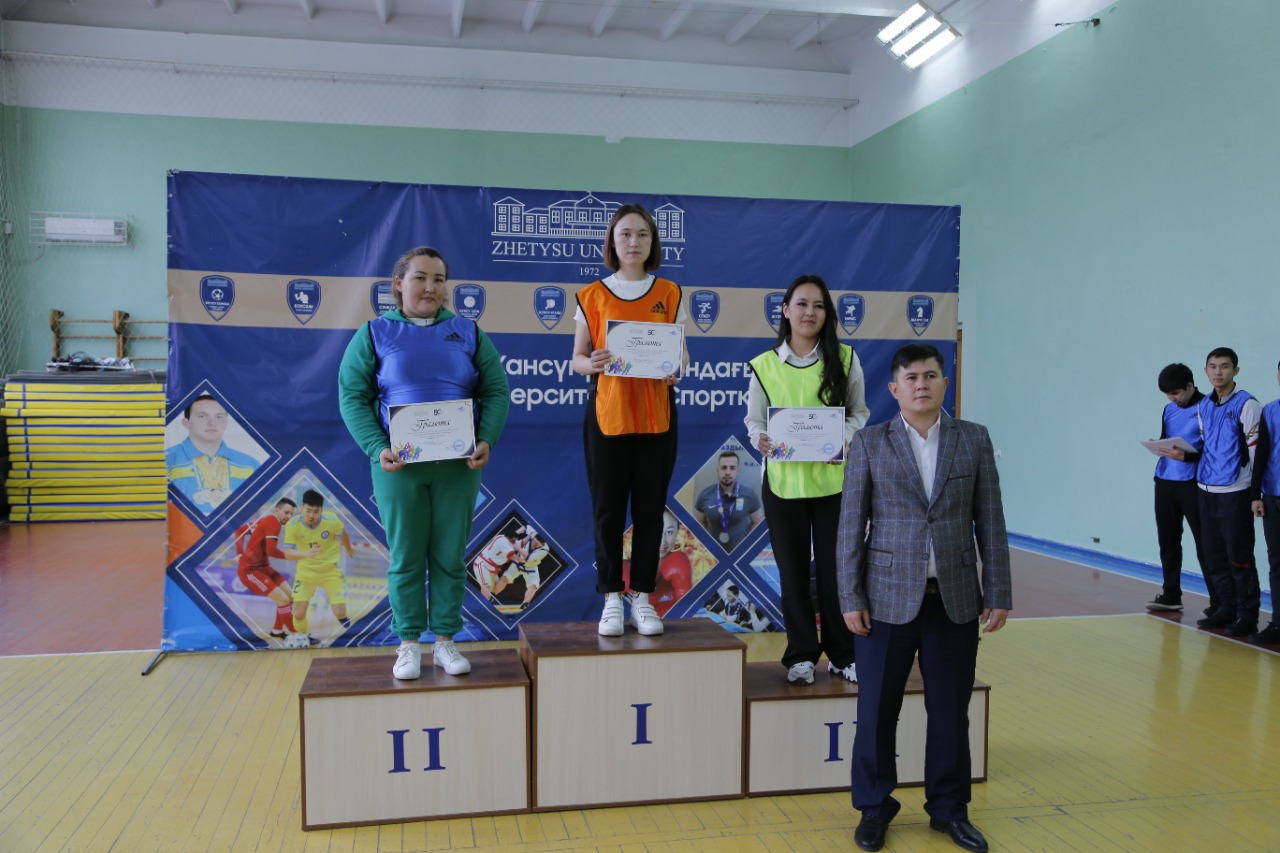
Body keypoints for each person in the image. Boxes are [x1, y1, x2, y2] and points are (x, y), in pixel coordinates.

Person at [836, 343, 1011, 853]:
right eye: (911, 377)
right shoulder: (870, 442)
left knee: (951, 711)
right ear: (894, 389)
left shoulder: (973, 439)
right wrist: (849, 596)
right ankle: (874, 809)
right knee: (876, 710)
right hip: (885, 600)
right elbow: (850, 526)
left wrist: (998, 590)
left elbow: (991, 520)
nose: (921, 385)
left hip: (954, 599)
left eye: (931, 376)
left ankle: (949, 810)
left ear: (944, 383)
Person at [338, 245, 510, 679]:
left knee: (450, 555)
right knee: (406, 556)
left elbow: (495, 390)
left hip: (458, 466)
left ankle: (446, 641)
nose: (430, 287)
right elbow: (352, 395)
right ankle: (408, 643)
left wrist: (486, 438)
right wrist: (376, 447)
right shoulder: (374, 333)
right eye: (420, 278)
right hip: (398, 466)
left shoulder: (467, 331)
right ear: (399, 284)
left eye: (438, 279)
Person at [747, 274, 869, 686]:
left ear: (827, 314)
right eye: (801, 304)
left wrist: (843, 437)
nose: (809, 312)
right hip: (783, 484)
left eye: (818, 306)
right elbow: (754, 420)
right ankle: (800, 654)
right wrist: (760, 439)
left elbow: (860, 413)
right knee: (792, 573)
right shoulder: (764, 365)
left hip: (834, 483)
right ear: (785, 310)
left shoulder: (846, 359)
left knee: (836, 572)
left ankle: (842, 653)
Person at [571, 204, 686, 638]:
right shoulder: (592, 295)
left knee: (650, 511)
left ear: (652, 242)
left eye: (642, 234)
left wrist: (677, 369)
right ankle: (610, 598)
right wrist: (593, 363)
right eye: (625, 234)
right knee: (608, 511)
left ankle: (642, 597)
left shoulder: (670, 292)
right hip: (609, 416)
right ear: (612, 242)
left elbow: (681, 355)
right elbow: (577, 358)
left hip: (656, 416)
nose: (633, 242)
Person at [1194, 347, 1262, 638]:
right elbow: (1205, 444)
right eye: (1212, 366)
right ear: (1206, 371)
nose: (1218, 372)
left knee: (1239, 557)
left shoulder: (1248, 405)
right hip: (1205, 490)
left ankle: (1247, 615)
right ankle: (1225, 608)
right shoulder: (1203, 405)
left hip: (1236, 492)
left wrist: (1256, 493)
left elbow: (1256, 453)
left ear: (1236, 370)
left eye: (1224, 366)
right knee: (1214, 555)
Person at [1148, 364, 1211, 613]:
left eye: (1176, 393)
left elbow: (1215, 450)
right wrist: (1159, 446)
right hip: (1165, 481)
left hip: (1194, 483)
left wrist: (1187, 457)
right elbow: (1168, 439)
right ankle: (1171, 594)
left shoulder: (1208, 407)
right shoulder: (1169, 409)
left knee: (1206, 544)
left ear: (1190, 385)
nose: (1172, 399)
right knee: (1168, 541)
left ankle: (1220, 601)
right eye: (1168, 395)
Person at [234, 497, 320, 641]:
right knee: (282, 599)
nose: (289, 516)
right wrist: (300, 555)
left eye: (291, 514)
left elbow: (240, 531)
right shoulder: (273, 523)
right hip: (250, 571)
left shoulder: (265, 521)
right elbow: (271, 551)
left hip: (264, 568)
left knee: (291, 597)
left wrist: (239, 552)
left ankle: (277, 631)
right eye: (286, 512)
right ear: (276, 510)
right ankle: (298, 634)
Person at [166, 394, 260, 514]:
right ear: (186, 423)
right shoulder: (165, 461)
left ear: (226, 423)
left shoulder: (250, 465)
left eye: (219, 417)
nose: (212, 423)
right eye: (202, 416)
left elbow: (258, 511)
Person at [283, 489, 355, 641]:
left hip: (330, 572)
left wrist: (348, 548)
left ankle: (341, 616)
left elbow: (343, 533)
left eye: (316, 512)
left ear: (321, 510)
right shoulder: (293, 525)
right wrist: (306, 554)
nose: (311, 515)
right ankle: (304, 638)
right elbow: (288, 553)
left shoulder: (331, 520)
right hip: (305, 574)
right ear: (302, 508)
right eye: (308, 511)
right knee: (298, 614)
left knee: (340, 612)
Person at [1249, 360, 1280, 644]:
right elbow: (1261, 455)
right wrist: (1255, 494)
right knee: (1277, 561)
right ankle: (1278, 623)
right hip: (1273, 496)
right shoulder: (1270, 410)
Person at [693, 451, 764, 550]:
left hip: (740, 553)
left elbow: (758, 524)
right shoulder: (705, 495)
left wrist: (746, 545)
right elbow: (699, 525)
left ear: (737, 471)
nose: (727, 472)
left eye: (732, 468)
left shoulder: (750, 495)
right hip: (712, 554)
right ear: (718, 470)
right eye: (723, 467)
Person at [491, 529, 549, 610]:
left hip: (531, 567)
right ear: (534, 537)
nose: (537, 545)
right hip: (517, 564)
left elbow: (528, 558)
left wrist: (518, 548)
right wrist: (514, 534)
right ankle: (491, 597)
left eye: (540, 544)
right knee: (505, 578)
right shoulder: (532, 533)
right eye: (536, 542)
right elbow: (525, 527)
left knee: (534, 586)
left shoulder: (545, 549)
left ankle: (524, 605)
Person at [473, 532, 518, 601]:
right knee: (486, 586)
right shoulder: (502, 541)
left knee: (494, 588)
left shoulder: (505, 543)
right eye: (513, 540)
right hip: (483, 564)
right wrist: (522, 560)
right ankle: (483, 603)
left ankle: (488, 601)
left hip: (492, 567)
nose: (513, 542)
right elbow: (511, 554)